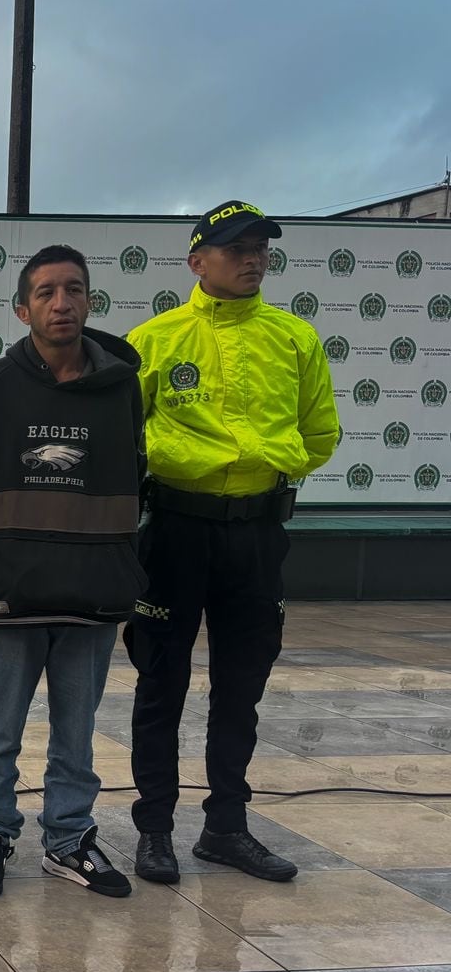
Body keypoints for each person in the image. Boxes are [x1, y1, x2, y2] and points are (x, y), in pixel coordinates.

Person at [125, 201, 339, 883]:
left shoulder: (293, 337)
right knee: (161, 680)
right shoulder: (154, 339)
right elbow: (128, 434)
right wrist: (192, 460)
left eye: (260, 248)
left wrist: (262, 466)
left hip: (257, 533)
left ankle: (226, 827)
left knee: (241, 685)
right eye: (236, 249)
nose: (252, 259)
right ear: (197, 261)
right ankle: (154, 829)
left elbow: (320, 432)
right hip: (177, 530)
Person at [0, 244, 146, 899]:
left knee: (77, 734)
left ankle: (68, 841)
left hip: (93, 591)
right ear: (22, 309)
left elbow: (135, 482)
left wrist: (118, 571)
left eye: (73, 289)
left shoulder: (122, 387)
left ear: (90, 301)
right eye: (45, 292)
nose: (61, 303)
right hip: (14, 593)